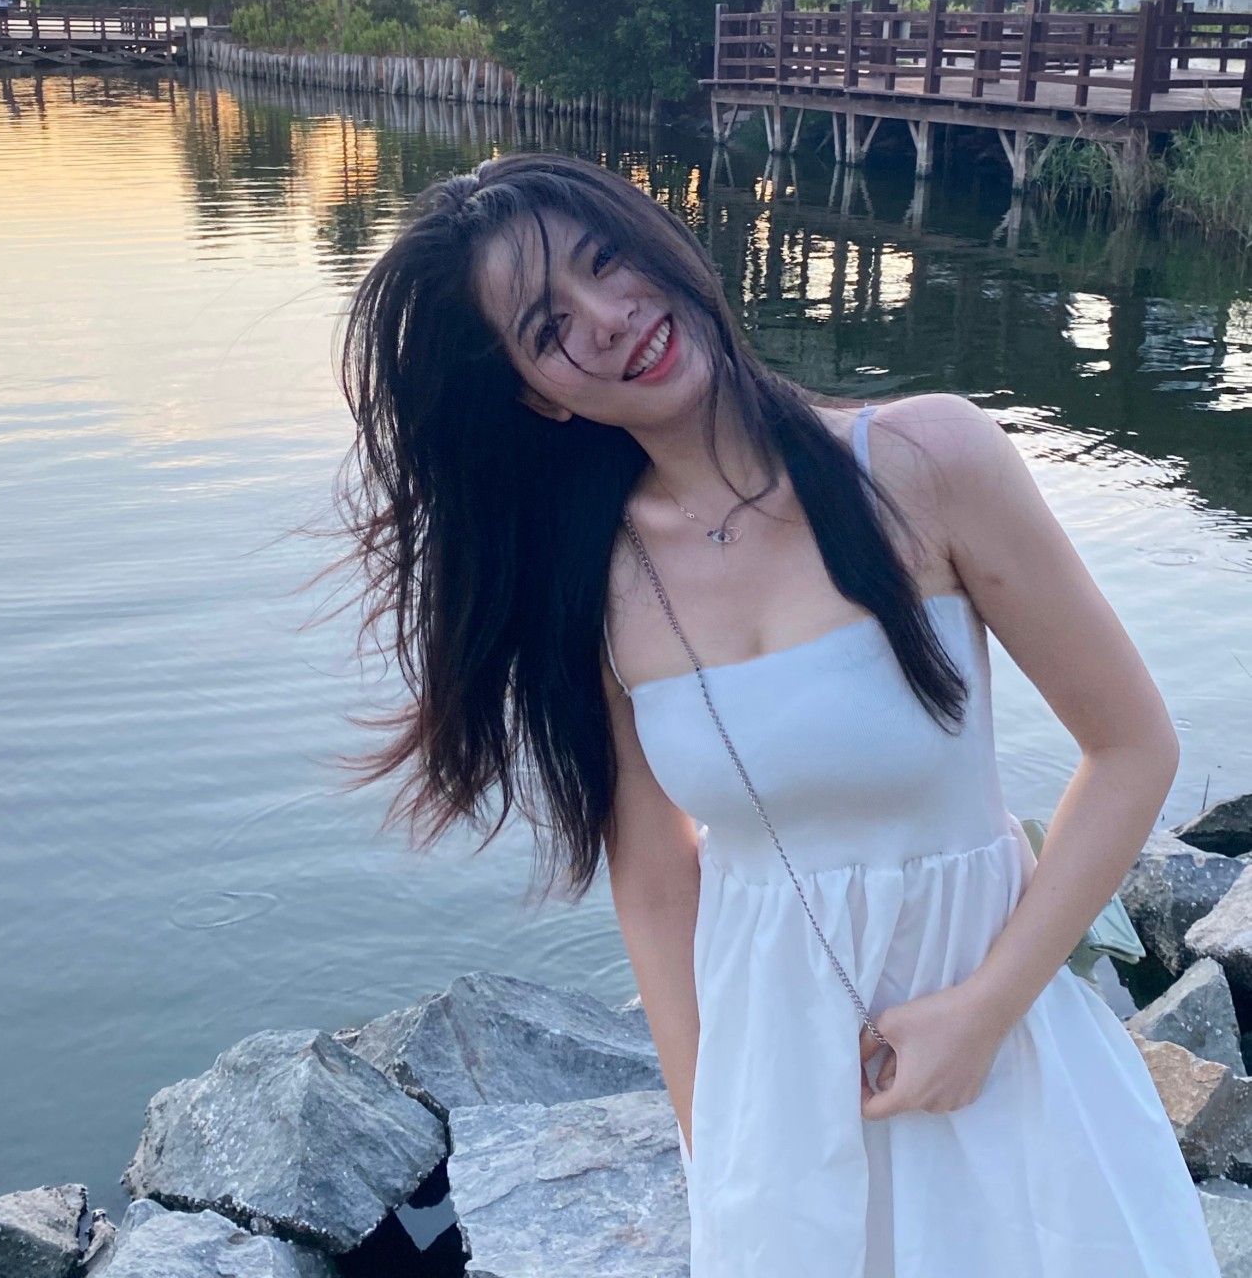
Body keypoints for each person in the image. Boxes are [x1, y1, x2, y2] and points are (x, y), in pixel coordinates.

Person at [330, 150, 1219, 1276]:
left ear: (661, 239)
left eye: (606, 261)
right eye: (550, 327)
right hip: (774, 1071)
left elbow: (1133, 746)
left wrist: (989, 1008)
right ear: (537, 394)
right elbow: (656, 879)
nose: (609, 317)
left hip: (1000, 1040)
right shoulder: (592, 582)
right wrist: (716, 1140)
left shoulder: (927, 459)